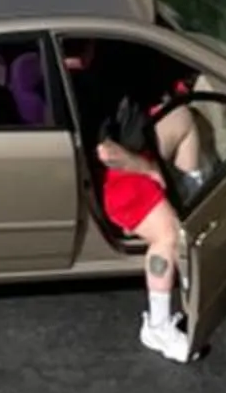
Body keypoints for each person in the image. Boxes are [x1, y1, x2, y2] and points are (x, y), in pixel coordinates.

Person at [96, 97, 191, 362]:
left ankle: (190, 195)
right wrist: (150, 169)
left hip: (137, 160)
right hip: (123, 182)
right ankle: (157, 327)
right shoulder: (92, 85)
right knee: (167, 236)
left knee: (182, 118)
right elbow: (107, 152)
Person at [63, 39, 211, 201]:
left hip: (134, 130)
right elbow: (105, 152)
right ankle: (191, 193)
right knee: (183, 120)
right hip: (128, 157)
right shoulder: (78, 89)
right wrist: (150, 170)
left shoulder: (65, 75)